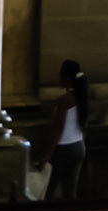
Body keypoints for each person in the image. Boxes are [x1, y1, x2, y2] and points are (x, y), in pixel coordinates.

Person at [37, 59, 89, 201]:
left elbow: (58, 129)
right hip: (79, 146)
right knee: (70, 193)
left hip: (64, 148)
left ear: (66, 77)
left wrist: (47, 154)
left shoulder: (64, 100)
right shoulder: (81, 97)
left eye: (60, 74)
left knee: (47, 190)